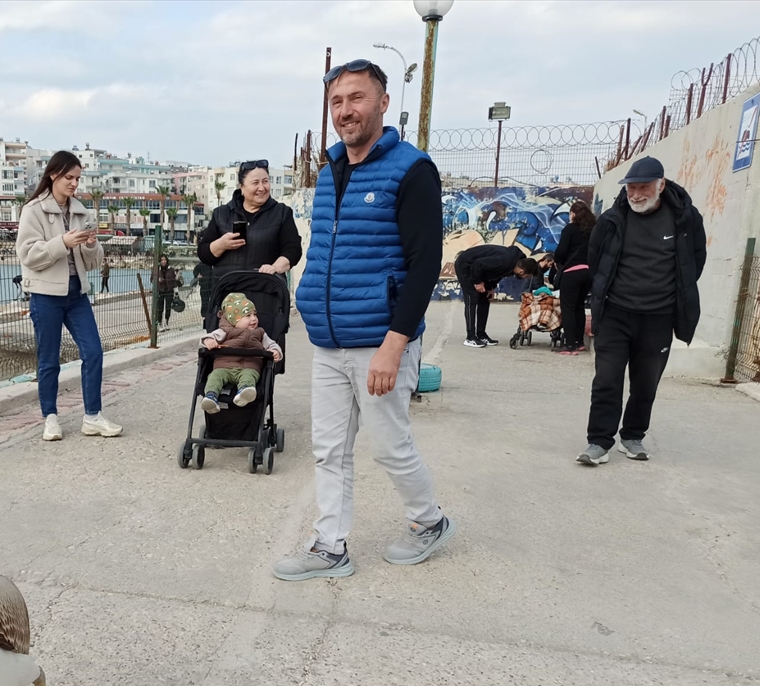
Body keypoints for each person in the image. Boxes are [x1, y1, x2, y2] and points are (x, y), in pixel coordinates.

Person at [274, 58, 454, 581]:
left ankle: (430, 522)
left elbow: (424, 265)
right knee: (328, 450)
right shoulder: (330, 169)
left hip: (380, 339)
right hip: (329, 339)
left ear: (382, 103)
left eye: (356, 98)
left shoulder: (411, 169)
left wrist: (395, 344)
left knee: (390, 446)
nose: (345, 110)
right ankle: (330, 546)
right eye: (336, 101)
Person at [577, 156, 706, 465]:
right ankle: (599, 442)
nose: (636, 195)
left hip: (659, 316)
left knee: (646, 382)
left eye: (644, 187)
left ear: (661, 185)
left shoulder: (685, 219)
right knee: (607, 379)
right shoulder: (612, 220)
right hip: (616, 314)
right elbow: (596, 263)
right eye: (632, 188)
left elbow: (694, 262)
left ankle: (632, 436)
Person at [17, 149, 122, 441]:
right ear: (53, 174)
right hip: (45, 296)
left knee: (94, 352)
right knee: (49, 359)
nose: (75, 183)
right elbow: (28, 255)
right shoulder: (33, 210)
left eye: (78, 178)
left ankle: (92, 417)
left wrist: (89, 244)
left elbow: (93, 261)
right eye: (69, 177)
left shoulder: (81, 212)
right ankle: (50, 418)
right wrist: (62, 242)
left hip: (77, 295)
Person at [197, 160, 302, 282]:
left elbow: (293, 249)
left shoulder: (281, 213)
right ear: (241, 187)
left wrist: (275, 267)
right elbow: (204, 254)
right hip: (228, 293)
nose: (262, 188)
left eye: (265, 181)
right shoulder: (222, 214)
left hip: (267, 290)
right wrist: (221, 244)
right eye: (255, 183)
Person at [198, 293, 283, 412]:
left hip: (249, 366)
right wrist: (209, 341)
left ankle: (245, 391)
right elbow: (205, 339)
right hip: (224, 366)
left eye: (255, 314)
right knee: (214, 377)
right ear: (234, 320)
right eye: (248, 315)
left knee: (249, 376)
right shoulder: (224, 331)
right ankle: (211, 397)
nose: (254, 318)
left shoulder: (260, 333)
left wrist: (275, 351)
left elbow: (272, 344)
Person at [454, 244, 541, 347]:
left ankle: (481, 335)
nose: (524, 278)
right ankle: (470, 337)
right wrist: (477, 282)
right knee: (472, 298)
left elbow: (497, 273)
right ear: (522, 271)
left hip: (480, 270)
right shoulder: (504, 261)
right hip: (466, 265)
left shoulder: (513, 264)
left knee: (485, 298)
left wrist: (491, 288)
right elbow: (478, 264)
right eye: (526, 276)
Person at [554, 200, 596, 355]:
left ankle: (569, 345)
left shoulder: (570, 229)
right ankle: (579, 343)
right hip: (588, 272)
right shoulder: (593, 230)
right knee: (579, 307)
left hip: (572, 272)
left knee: (568, 309)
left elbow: (561, 252)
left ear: (572, 214)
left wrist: (558, 261)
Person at [155, 254, 179, 328]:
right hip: (160, 290)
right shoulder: (156, 269)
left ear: (167, 260)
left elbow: (174, 281)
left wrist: (176, 292)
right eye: (162, 260)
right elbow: (152, 279)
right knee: (160, 308)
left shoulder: (171, 269)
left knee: (168, 307)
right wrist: (157, 280)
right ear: (159, 261)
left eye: (164, 260)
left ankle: (166, 322)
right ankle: (159, 323)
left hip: (169, 290)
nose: (163, 261)